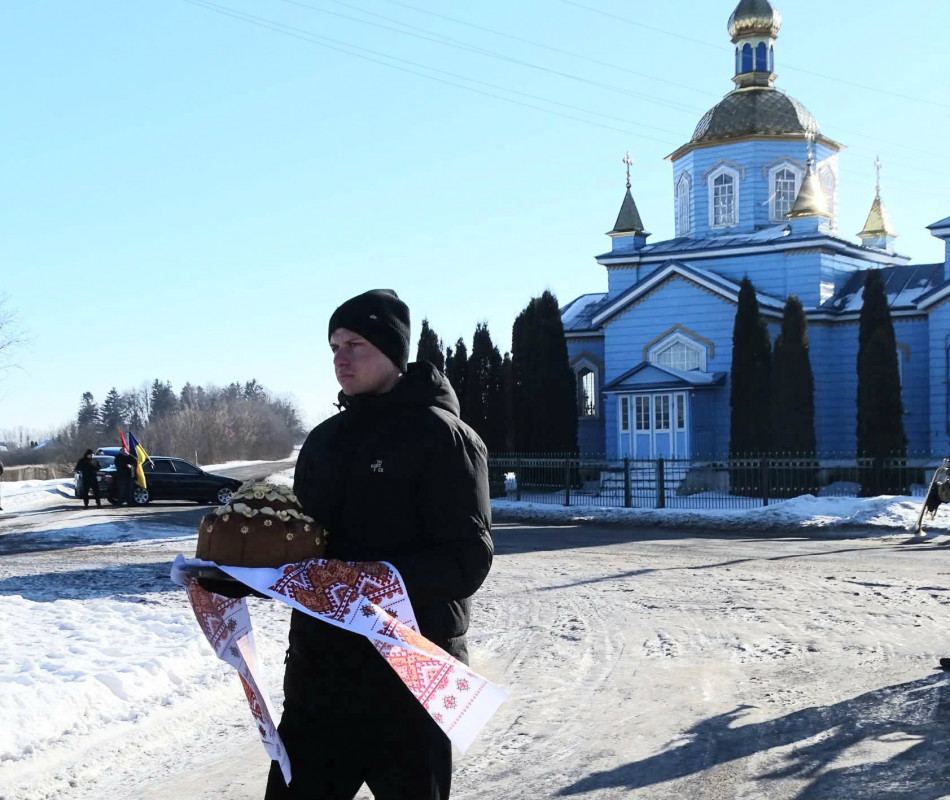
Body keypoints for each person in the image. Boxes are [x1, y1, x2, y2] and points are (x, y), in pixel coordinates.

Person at [264, 289, 494, 800]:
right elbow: (303, 552)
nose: (340, 358)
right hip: (319, 682)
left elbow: (467, 560)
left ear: (393, 353)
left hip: (410, 685)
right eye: (333, 346)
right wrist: (235, 574)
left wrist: (364, 580)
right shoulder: (322, 441)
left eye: (355, 344)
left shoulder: (444, 437)